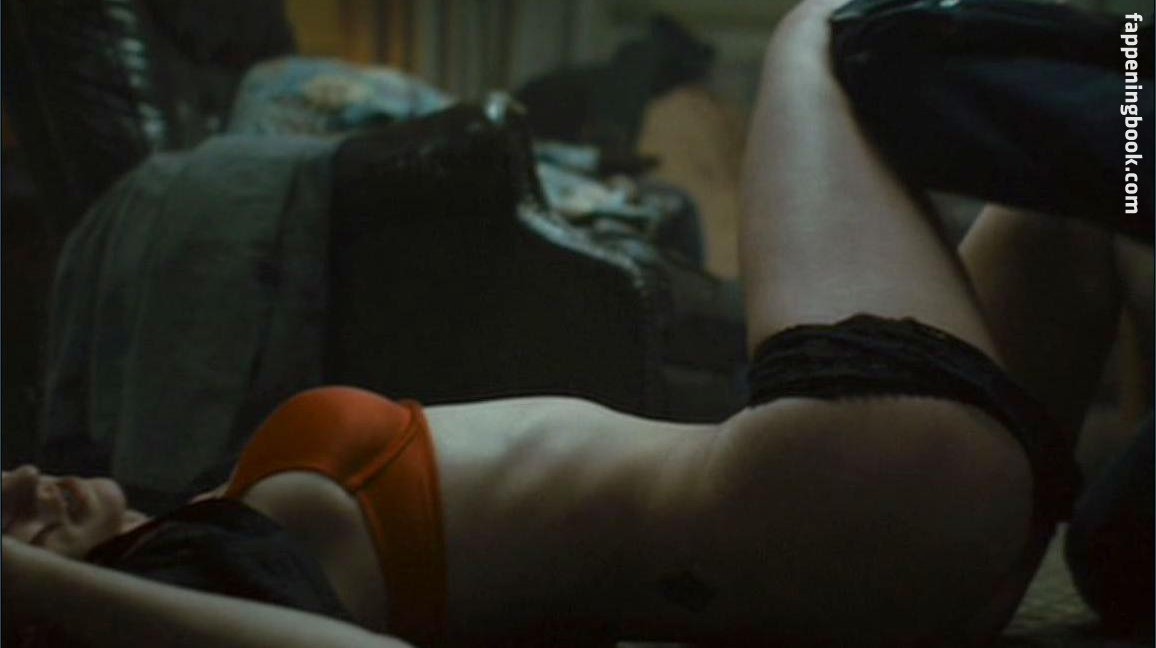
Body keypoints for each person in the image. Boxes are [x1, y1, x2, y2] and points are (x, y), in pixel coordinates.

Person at [2, 0, 1143, 644]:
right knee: (825, 36)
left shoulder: (182, 541)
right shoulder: (170, 590)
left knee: (1062, 211)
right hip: (839, 491)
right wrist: (27, 585)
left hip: (897, 555)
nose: (18, 483)